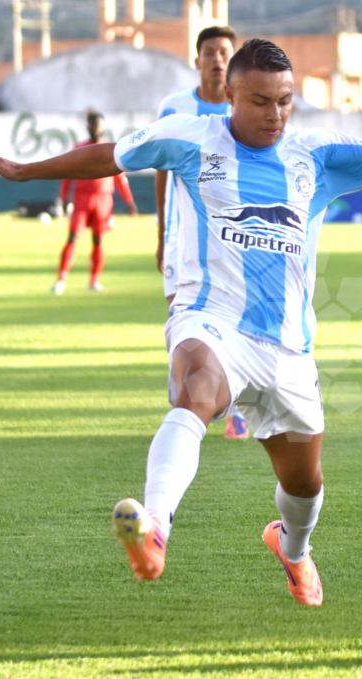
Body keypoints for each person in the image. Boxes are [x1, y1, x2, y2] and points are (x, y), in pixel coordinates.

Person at [0, 39, 362, 606]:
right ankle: (154, 529)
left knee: (304, 484)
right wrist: (23, 171)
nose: (275, 114)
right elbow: (112, 155)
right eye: (260, 101)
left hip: (289, 346)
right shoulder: (191, 138)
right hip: (210, 318)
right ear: (230, 96)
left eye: (284, 101)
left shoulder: (317, 154)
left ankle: (292, 549)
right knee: (198, 390)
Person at [155, 26, 249, 440]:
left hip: (231, 236)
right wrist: (161, 232)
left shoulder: (243, 109)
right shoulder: (174, 109)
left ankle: (236, 410)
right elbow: (160, 167)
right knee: (182, 316)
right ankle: (187, 397)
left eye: (224, 52)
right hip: (181, 236)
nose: (217, 59)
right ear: (197, 59)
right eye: (209, 52)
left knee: (234, 316)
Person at [52, 111, 137, 294]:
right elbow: (67, 174)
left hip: (103, 200)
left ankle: (94, 280)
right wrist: (64, 198)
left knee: (98, 240)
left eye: (99, 125)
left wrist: (129, 201)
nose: (96, 128)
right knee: (73, 237)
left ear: (103, 127)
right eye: (93, 124)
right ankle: (61, 279)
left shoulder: (110, 149)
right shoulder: (79, 148)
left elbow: (120, 178)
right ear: (88, 126)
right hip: (82, 198)